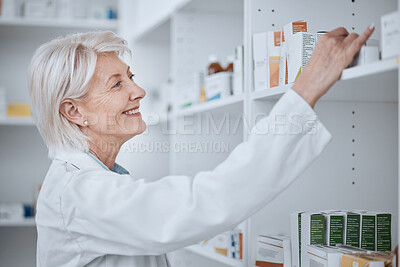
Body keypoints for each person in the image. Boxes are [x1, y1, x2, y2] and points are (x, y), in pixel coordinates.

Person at [28, 24, 374, 266]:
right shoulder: (79, 194)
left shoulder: (96, 178)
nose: (139, 91)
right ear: (74, 111)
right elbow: (206, 202)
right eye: (117, 84)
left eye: (130, 77)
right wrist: (306, 89)